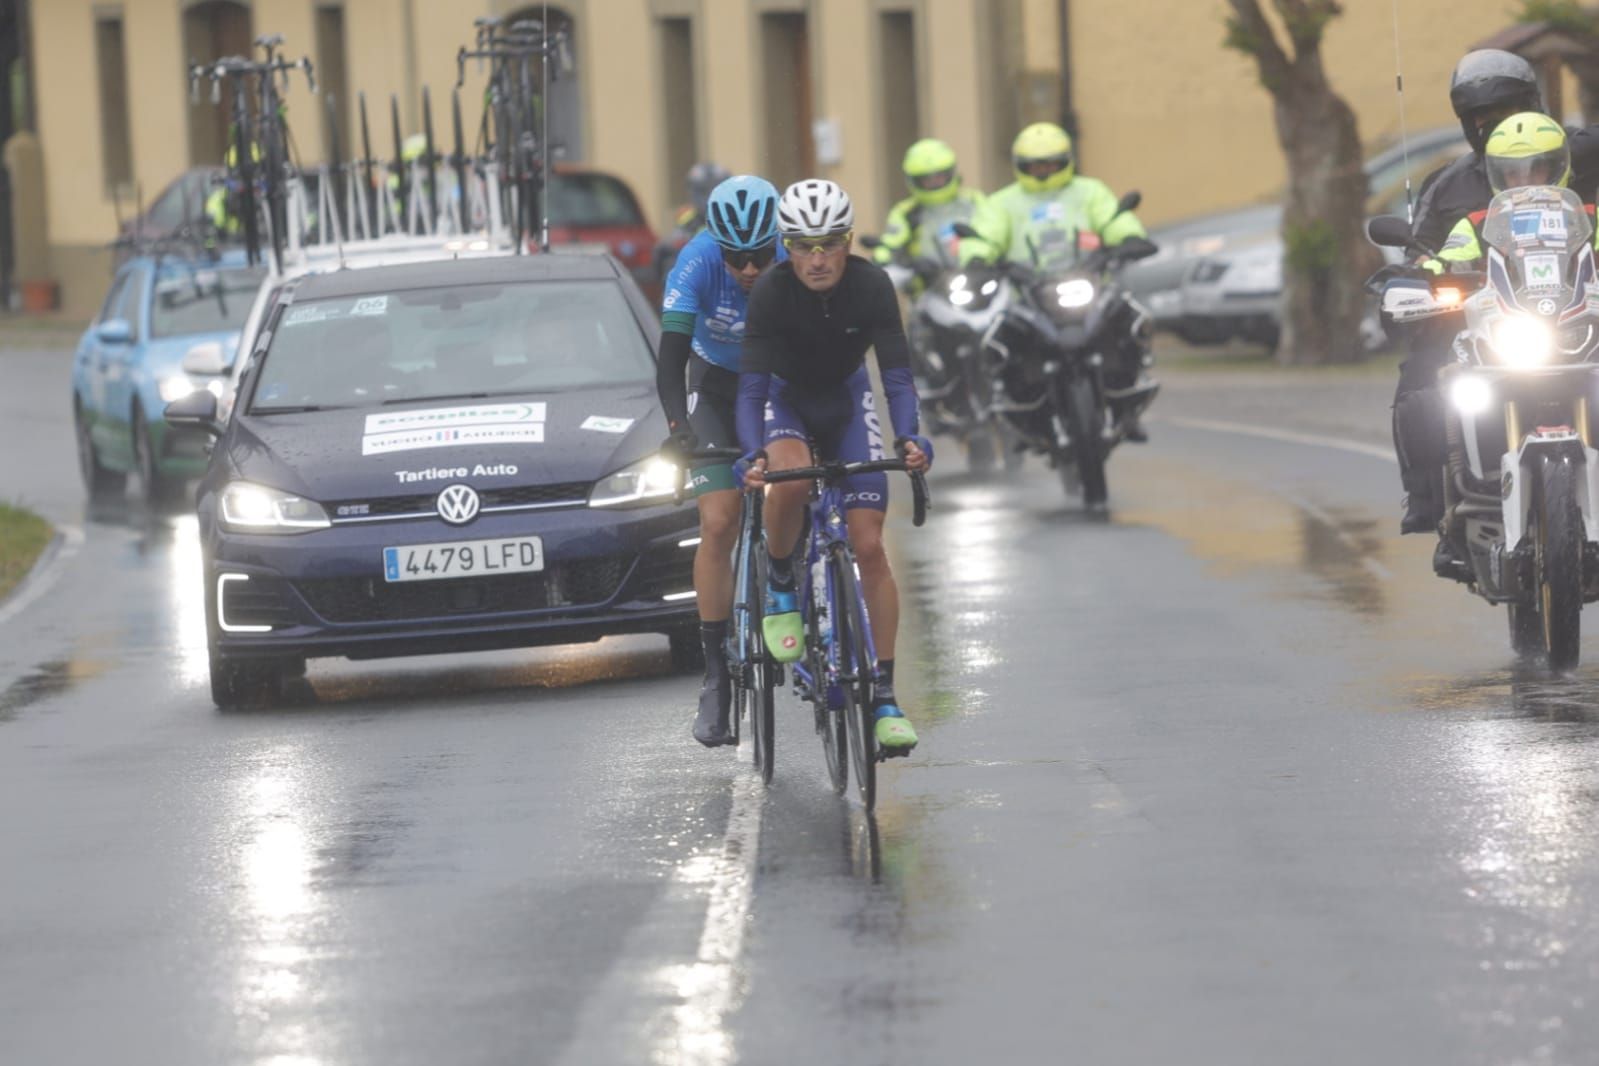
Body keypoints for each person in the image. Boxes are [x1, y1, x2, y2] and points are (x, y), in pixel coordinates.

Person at [736, 179, 933, 754]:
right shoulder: (770, 293)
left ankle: (886, 696)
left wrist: (911, 438)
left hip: (847, 399)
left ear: (848, 242)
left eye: (829, 244)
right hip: (787, 398)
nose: (817, 259)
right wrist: (753, 453)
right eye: (802, 245)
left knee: (870, 546)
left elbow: (895, 376)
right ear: (785, 247)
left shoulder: (872, 285)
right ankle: (779, 584)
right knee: (791, 478)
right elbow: (750, 390)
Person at [1394, 49, 1599, 538]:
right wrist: (1417, 279)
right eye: (1478, 116)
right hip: (1486, 316)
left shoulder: (1587, 153)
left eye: (1503, 110)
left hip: (1579, 306)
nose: (1491, 125)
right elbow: (1422, 255)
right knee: (1423, 379)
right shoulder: (1447, 188)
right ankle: (1434, 504)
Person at [657, 175, 787, 747]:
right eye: (738, 258)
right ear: (718, 246)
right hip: (714, 386)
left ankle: (793, 593)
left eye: (760, 255)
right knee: (717, 521)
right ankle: (715, 679)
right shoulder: (695, 262)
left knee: (792, 491)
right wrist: (677, 429)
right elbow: (671, 359)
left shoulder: (792, 256)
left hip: (779, 383)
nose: (751, 269)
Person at [961, 121, 1157, 440]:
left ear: (1067, 160)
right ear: (1020, 166)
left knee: (1128, 318)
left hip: (1088, 282)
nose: (1043, 171)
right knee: (998, 338)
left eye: (1051, 163)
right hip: (1029, 294)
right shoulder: (1001, 202)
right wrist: (978, 256)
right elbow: (985, 232)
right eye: (1035, 165)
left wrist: (1129, 237)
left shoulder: (1089, 191)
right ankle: (1015, 407)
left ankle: (1127, 402)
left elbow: (1113, 218)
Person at [874, 138, 984, 279]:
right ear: (913, 181)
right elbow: (891, 241)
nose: (934, 183)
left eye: (940, 177)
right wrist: (883, 259)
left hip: (976, 280)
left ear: (951, 173)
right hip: (926, 288)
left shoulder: (974, 201)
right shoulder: (906, 212)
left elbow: (993, 234)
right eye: (926, 180)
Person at [654, 162, 733, 280]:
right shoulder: (687, 217)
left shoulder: (735, 218)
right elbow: (665, 249)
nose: (708, 197)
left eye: (715, 190)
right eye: (702, 191)